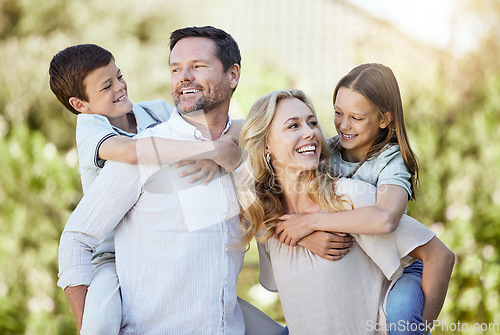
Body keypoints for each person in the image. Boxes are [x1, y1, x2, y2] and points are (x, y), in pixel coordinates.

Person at [56, 27, 284, 334]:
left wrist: (225, 146)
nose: (184, 76)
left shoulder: (240, 144)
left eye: (198, 66)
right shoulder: (128, 146)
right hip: (111, 263)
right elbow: (76, 240)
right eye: (176, 68)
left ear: (233, 75)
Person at [237, 89, 454, 334]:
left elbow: (440, 257)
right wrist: (305, 235)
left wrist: (418, 330)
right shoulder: (268, 222)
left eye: (312, 123)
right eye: (293, 126)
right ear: (265, 143)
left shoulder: (350, 198)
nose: (310, 132)